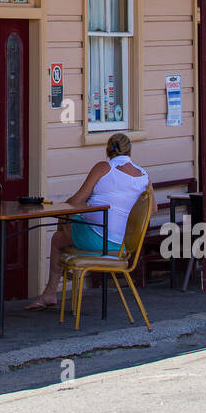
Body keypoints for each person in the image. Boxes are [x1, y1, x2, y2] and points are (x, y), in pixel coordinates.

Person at [26, 133, 149, 310]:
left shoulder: (104, 167)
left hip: (100, 240)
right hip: (124, 244)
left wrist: (78, 203)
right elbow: (151, 209)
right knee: (66, 224)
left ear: (108, 151)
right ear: (130, 151)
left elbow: (75, 202)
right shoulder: (143, 175)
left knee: (58, 237)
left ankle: (51, 291)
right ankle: (67, 264)